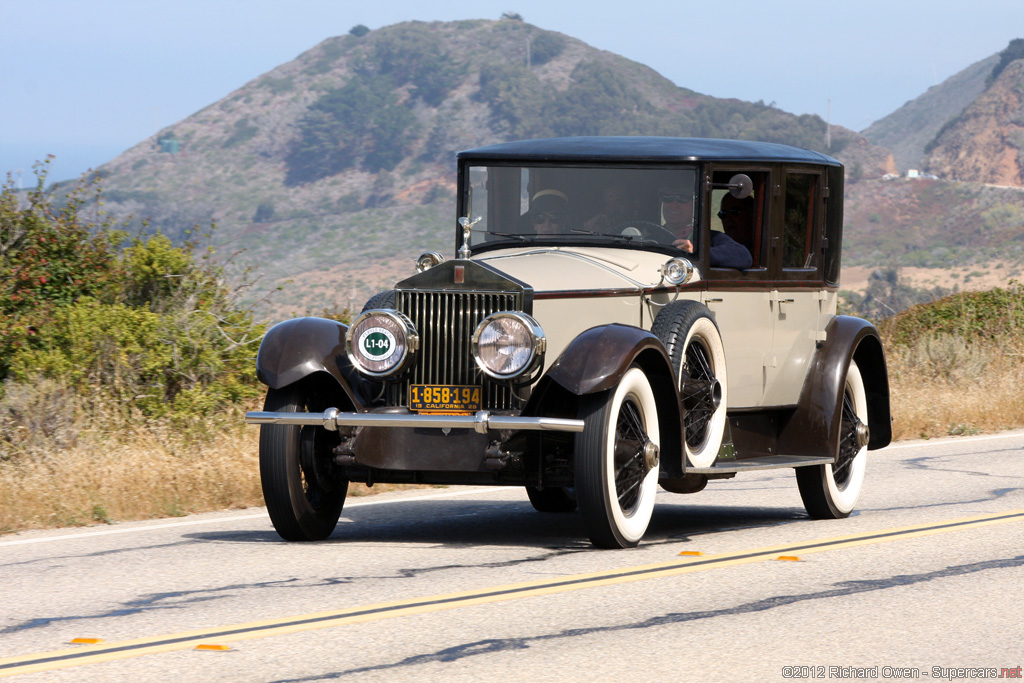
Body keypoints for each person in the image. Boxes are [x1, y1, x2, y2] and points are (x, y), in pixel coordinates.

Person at [708, 194, 754, 269]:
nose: (728, 219)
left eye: (734, 212)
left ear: (751, 215)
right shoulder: (716, 242)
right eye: (723, 214)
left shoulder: (764, 251)